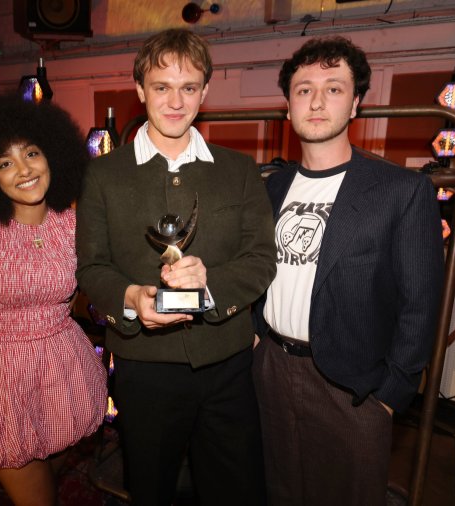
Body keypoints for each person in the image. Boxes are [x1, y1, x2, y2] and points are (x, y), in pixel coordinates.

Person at [76, 28, 276, 505]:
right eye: (161, 87)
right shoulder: (103, 174)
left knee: (235, 490)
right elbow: (92, 267)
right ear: (141, 90)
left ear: (204, 93)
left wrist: (210, 286)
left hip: (227, 363)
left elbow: (260, 259)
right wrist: (130, 298)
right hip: (144, 368)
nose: (175, 100)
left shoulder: (239, 169)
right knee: (150, 489)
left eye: (188, 88)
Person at [252, 36, 444, 505]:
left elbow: (420, 304)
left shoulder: (402, 190)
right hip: (271, 370)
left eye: (334, 89)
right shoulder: (270, 188)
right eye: (304, 90)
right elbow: (254, 269)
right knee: (278, 491)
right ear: (288, 106)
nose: (317, 101)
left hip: (354, 386)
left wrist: (391, 395)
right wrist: (256, 336)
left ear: (356, 103)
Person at [0, 96, 107, 506]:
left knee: (50, 474)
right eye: (5, 162)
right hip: (1, 382)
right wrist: (4, 361)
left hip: (64, 371)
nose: (24, 169)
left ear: (53, 154)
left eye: (31, 153)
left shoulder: (74, 225)